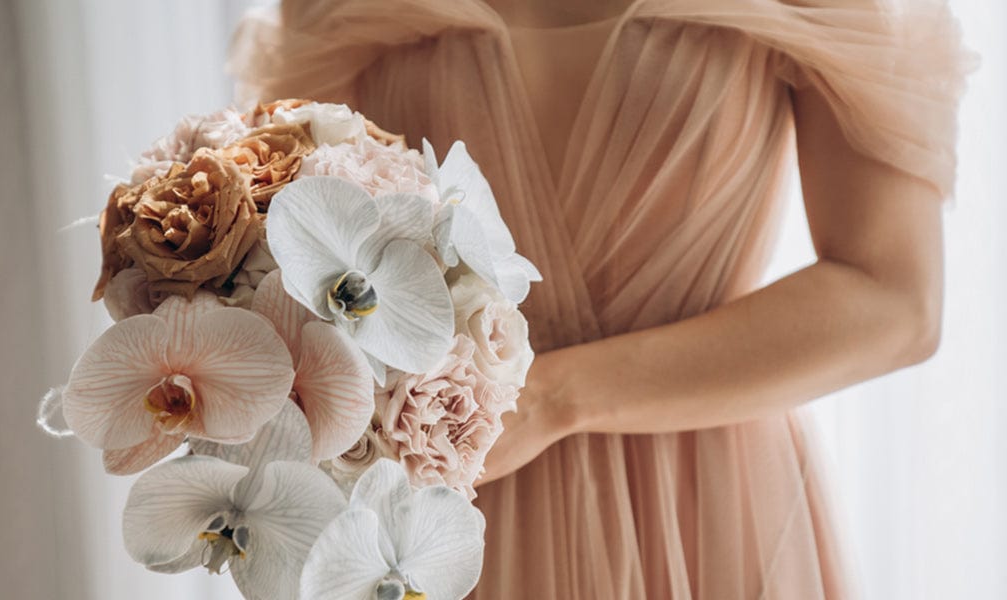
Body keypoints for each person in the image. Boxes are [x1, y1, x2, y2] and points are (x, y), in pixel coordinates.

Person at [230, 0, 972, 597]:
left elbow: (893, 299)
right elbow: (298, 247)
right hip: (442, 508)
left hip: (706, 493)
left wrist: (551, 397)